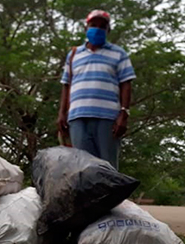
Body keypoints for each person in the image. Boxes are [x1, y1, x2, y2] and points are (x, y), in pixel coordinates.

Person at [58, 10, 136, 170]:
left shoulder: (119, 54)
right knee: (82, 167)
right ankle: (87, 196)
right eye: (94, 25)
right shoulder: (73, 55)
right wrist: (62, 113)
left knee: (108, 166)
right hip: (78, 116)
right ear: (86, 28)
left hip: (108, 117)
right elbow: (66, 85)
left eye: (103, 26)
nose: (98, 29)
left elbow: (126, 84)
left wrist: (124, 113)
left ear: (108, 30)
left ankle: (110, 196)